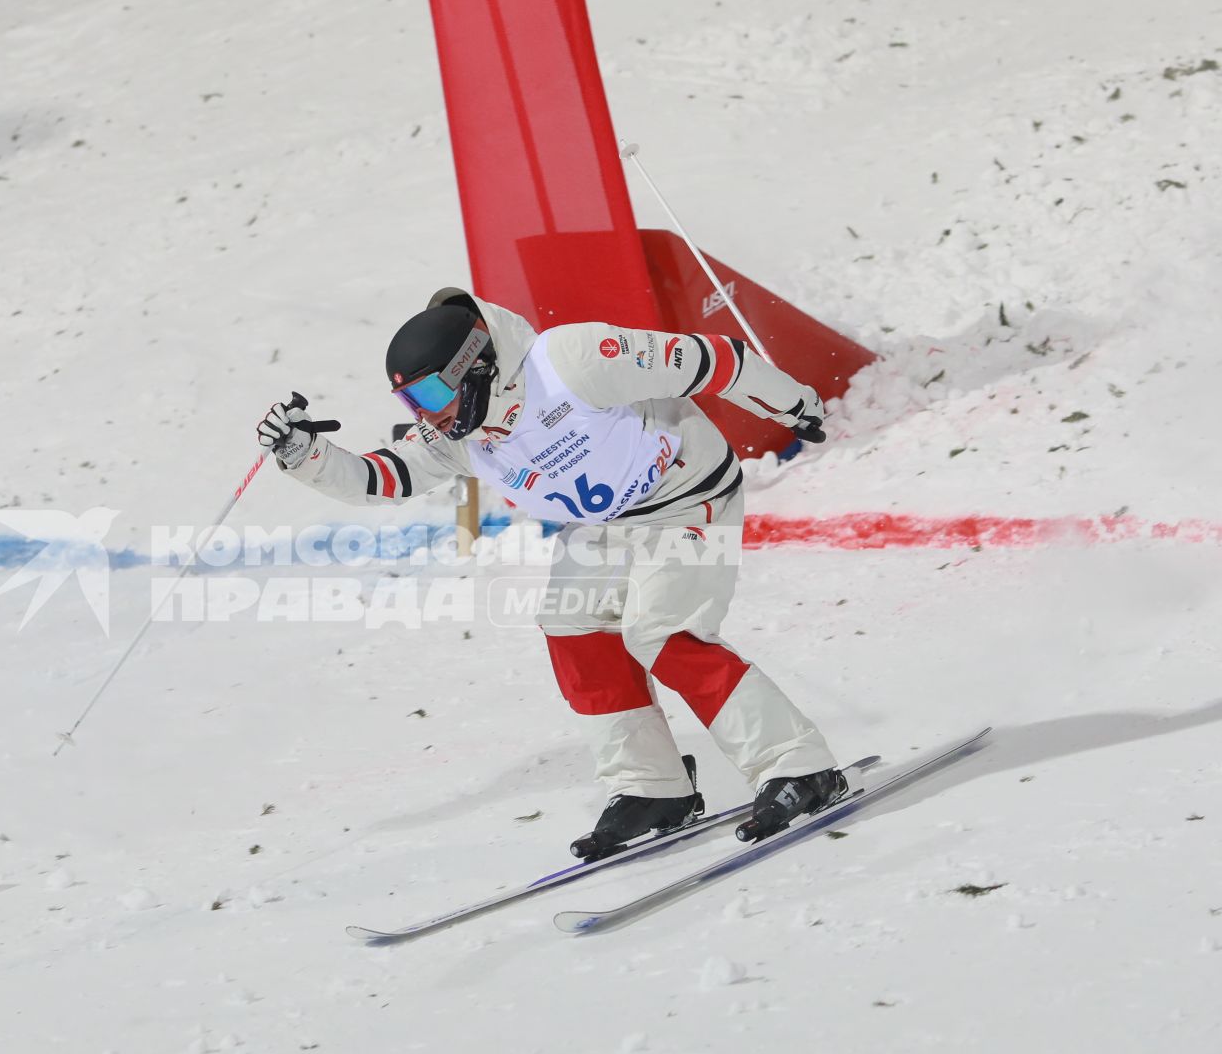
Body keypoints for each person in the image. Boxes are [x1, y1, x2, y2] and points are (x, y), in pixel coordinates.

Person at [256, 287, 846, 857]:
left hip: (687, 495)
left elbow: (714, 360)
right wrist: (305, 455)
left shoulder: (571, 360)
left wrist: (791, 403)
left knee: (662, 632)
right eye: (414, 404)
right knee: (572, 627)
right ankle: (652, 787)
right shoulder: (456, 430)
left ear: (476, 366)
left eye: (435, 394)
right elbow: (384, 478)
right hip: (604, 525)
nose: (429, 416)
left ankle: (798, 765)